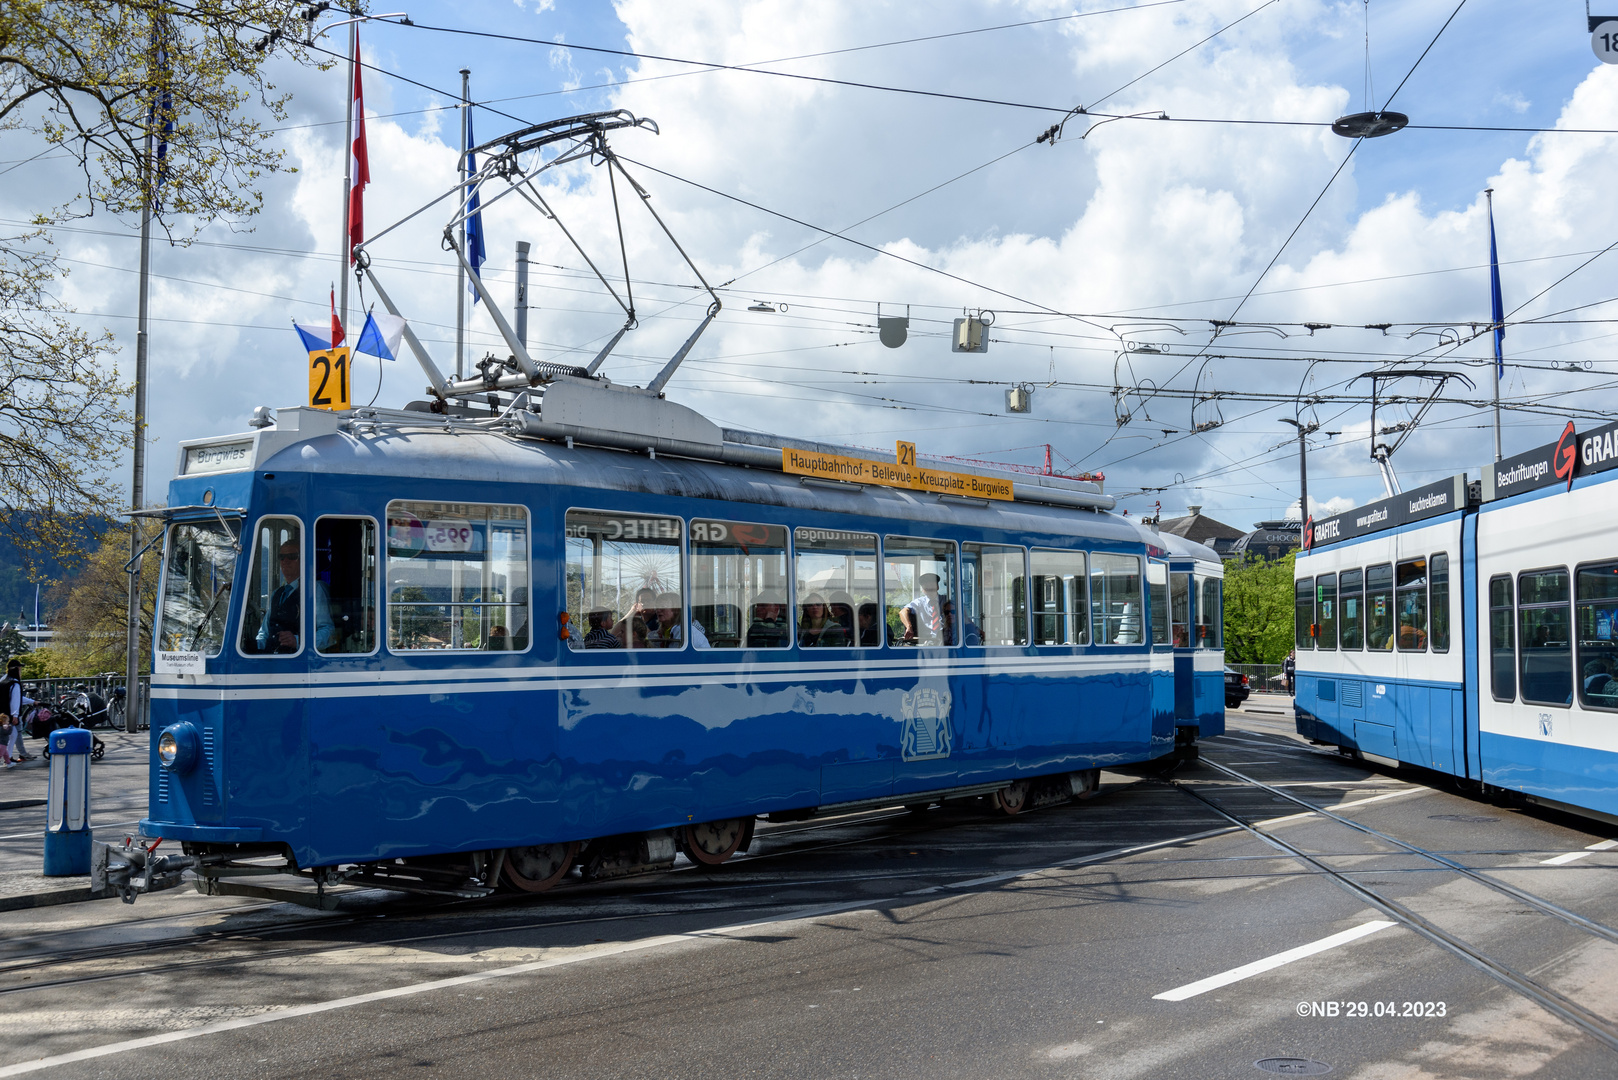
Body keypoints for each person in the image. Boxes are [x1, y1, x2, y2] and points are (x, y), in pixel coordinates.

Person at [257, 538, 336, 653]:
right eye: (282, 557)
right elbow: (264, 632)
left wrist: (299, 641)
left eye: (292, 556)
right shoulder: (277, 593)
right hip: (272, 662)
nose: (285, 561)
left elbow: (329, 632)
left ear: (304, 559)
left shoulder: (314, 589)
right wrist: (255, 648)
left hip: (299, 661)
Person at [899, 573, 946, 645]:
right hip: (926, 641)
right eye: (926, 586)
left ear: (937, 587)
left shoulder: (946, 600)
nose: (929, 588)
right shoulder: (919, 603)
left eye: (931, 585)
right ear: (923, 589)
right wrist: (909, 627)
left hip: (945, 641)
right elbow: (903, 612)